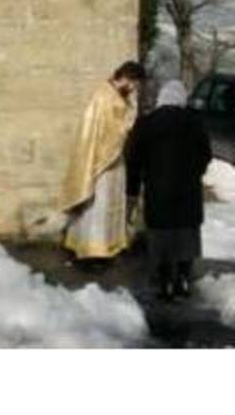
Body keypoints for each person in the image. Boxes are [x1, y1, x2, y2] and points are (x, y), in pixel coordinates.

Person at [125, 80, 212, 301]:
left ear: (161, 98)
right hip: (188, 192)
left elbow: (133, 159)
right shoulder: (194, 122)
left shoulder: (146, 123)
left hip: (158, 191)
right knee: (186, 235)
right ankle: (183, 279)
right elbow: (206, 154)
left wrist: (133, 191)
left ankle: (165, 284)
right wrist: (195, 172)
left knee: (160, 238)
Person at [60, 60, 146, 262]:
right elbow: (110, 131)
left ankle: (108, 245)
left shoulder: (117, 96)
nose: (134, 89)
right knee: (99, 205)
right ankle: (92, 250)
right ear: (126, 77)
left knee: (111, 204)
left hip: (114, 161)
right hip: (103, 162)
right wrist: (128, 123)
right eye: (134, 84)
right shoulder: (104, 96)